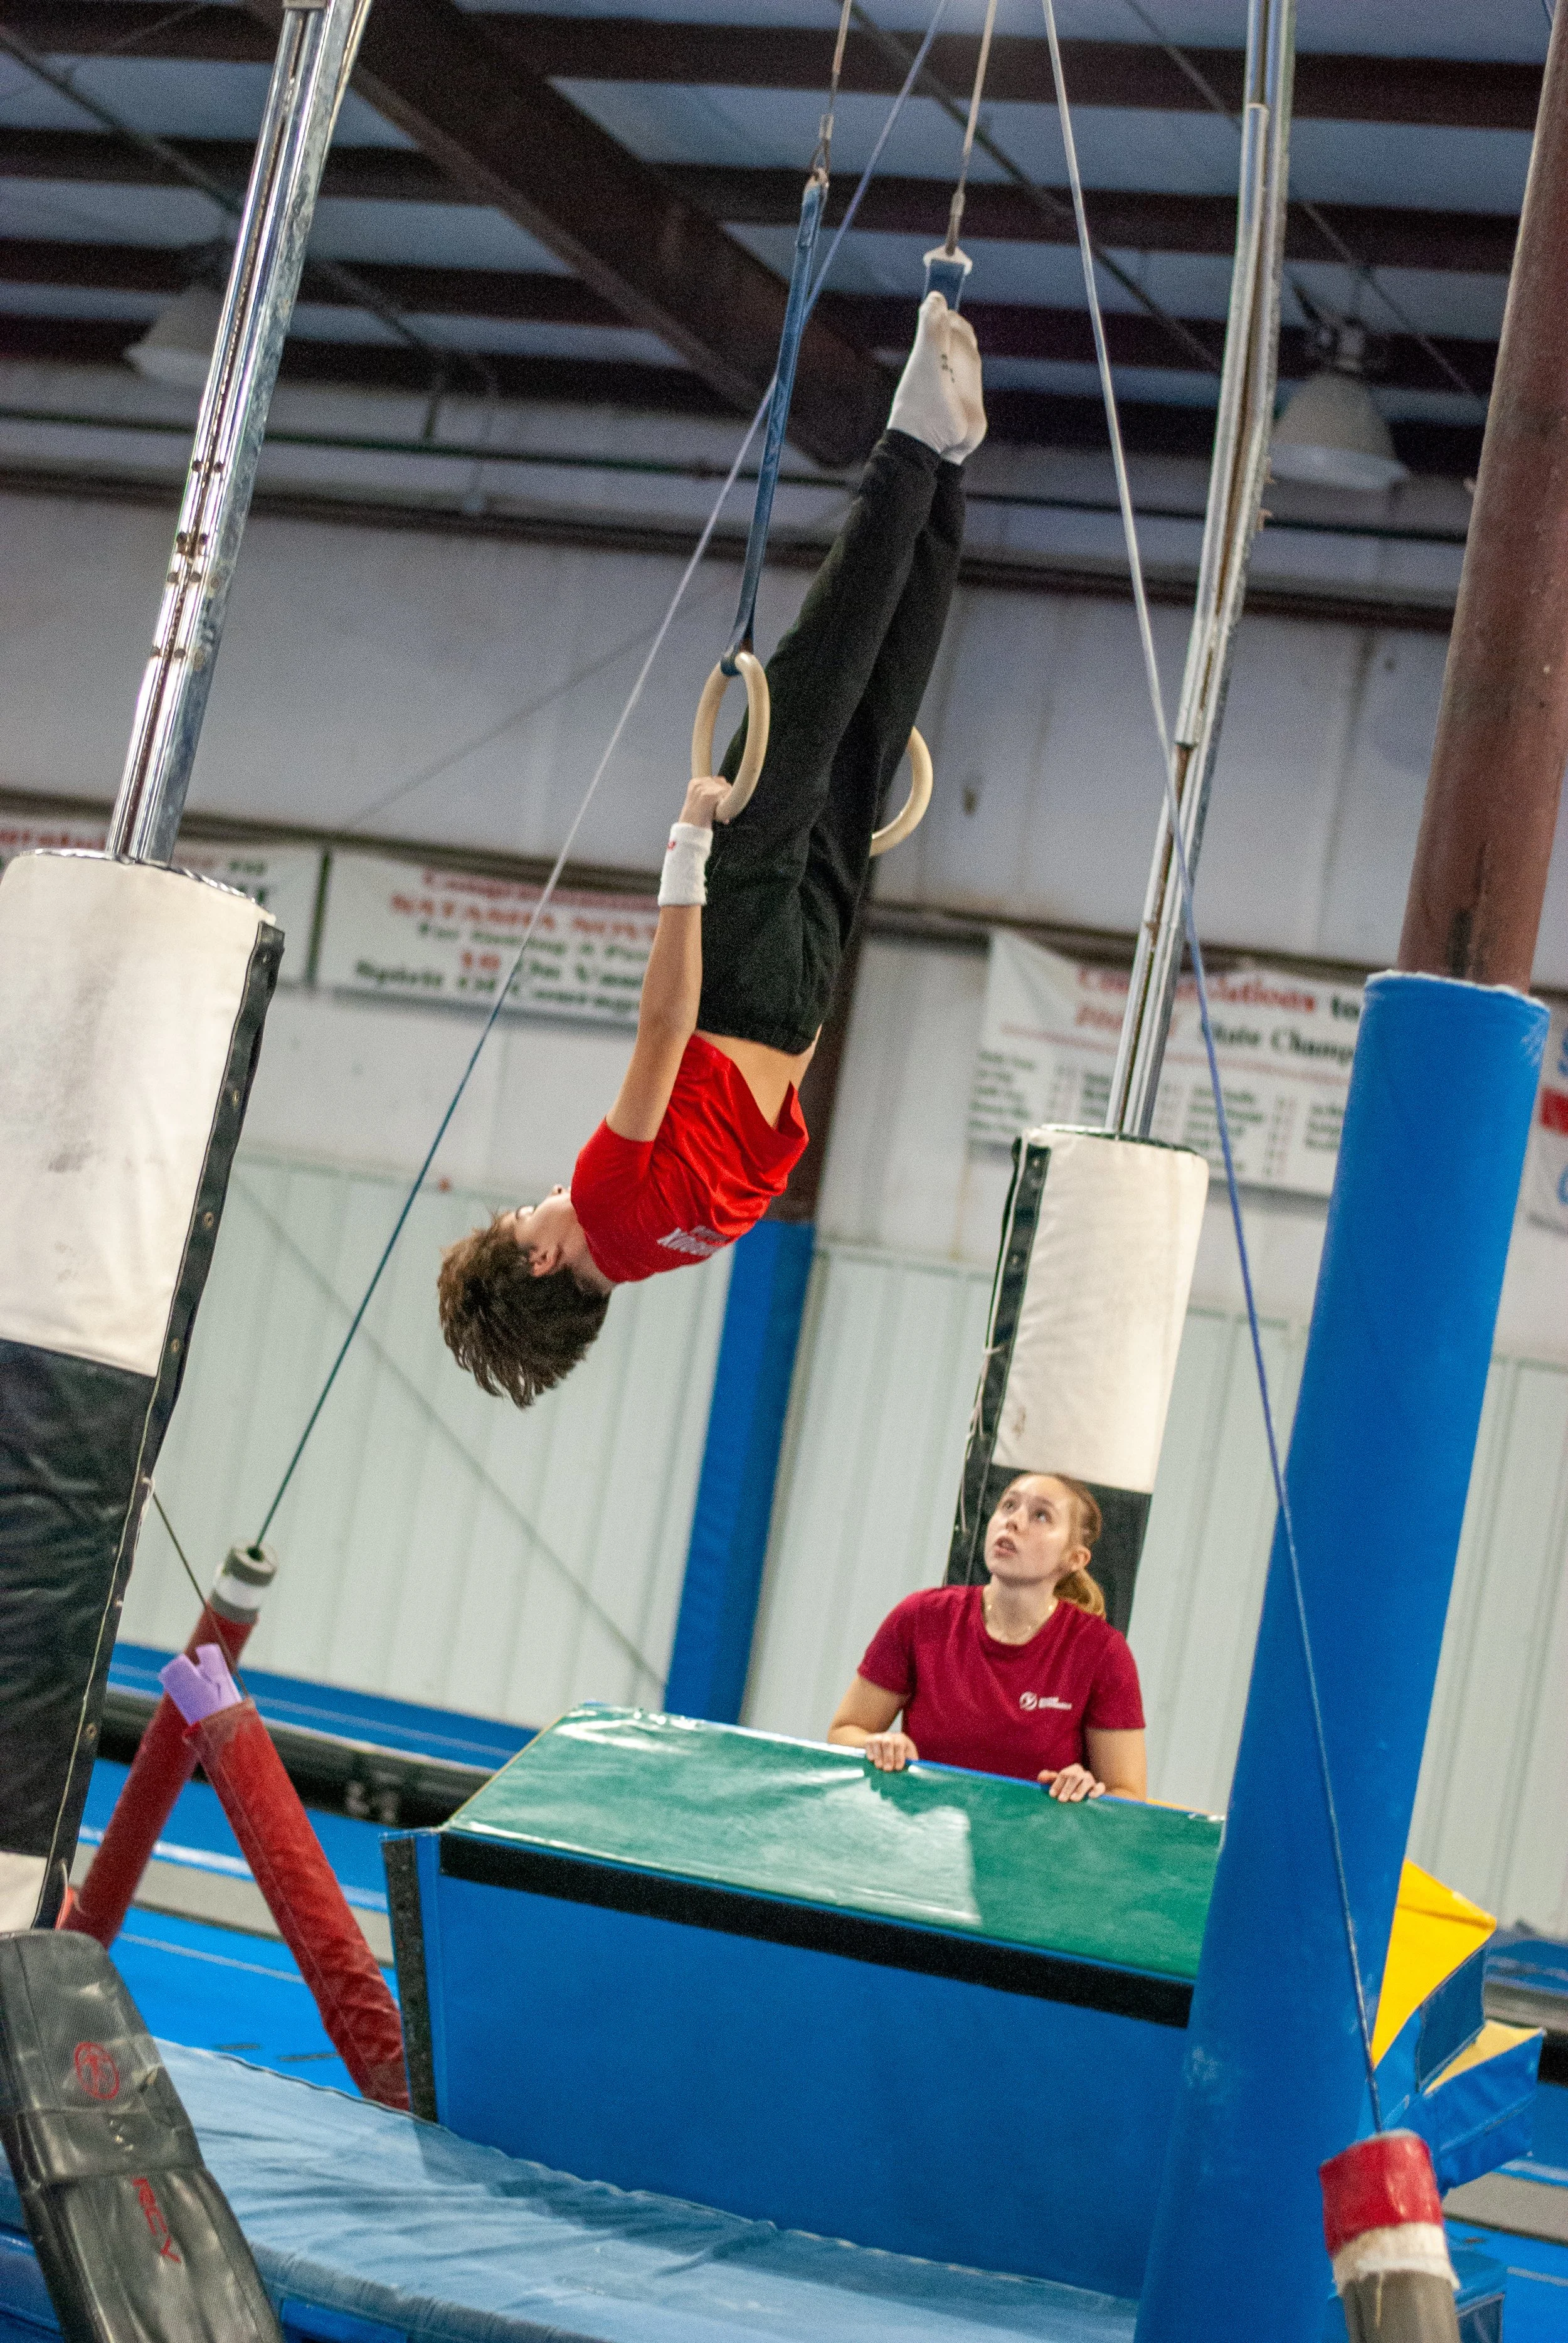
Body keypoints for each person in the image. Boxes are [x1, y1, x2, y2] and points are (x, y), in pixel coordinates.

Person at [438, 293, 985, 1407]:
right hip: (734, 967)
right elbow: (660, 1031)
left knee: (870, 720)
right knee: (807, 680)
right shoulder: (603, 1202)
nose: (537, 1197)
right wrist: (688, 860)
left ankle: (944, 481)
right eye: (519, 1216)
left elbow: (761, 1137)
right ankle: (909, 446)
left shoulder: (674, 1252)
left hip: (800, 1006)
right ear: (543, 1258)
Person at [827, 1474, 1147, 1802]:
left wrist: (1086, 1788)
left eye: (1041, 1515)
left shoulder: (1103, 1652)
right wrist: (877, 1745)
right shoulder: (921, 1616)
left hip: (1034, 1848)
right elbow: (844, 1731)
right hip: (924, 1838)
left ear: (1074, 1559)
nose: (1014, 1522)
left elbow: (1128, 1794)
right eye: (1008, 1505)